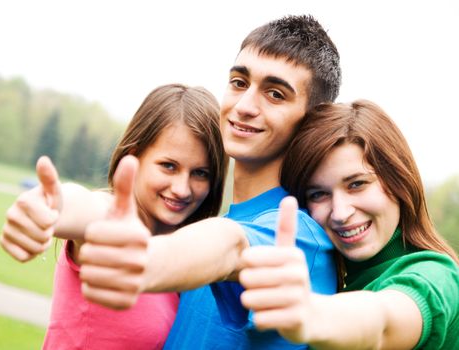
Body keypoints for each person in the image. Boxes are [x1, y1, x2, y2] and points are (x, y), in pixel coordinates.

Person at [78, 15, 342, 348]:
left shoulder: (299, 238)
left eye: (275, 94)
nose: (244, 106)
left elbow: (230, 248)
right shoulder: (219, 221)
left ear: (311, 122)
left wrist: (142, 261)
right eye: (239, 82)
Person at [0, 83, 228, 349]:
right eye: (168, 166)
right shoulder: (110, 226)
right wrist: (49, 207)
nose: (182, 189)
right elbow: (84, 207)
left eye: (200, 173)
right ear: (134, 157)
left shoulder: (186, 253)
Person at [239, 100, 459, 349]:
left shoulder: (437, 275)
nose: (341, 213)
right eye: (318, 194)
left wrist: (312, 314)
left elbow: (383, 322)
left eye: (357, 184)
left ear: (399, 181)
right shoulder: (335, 285)